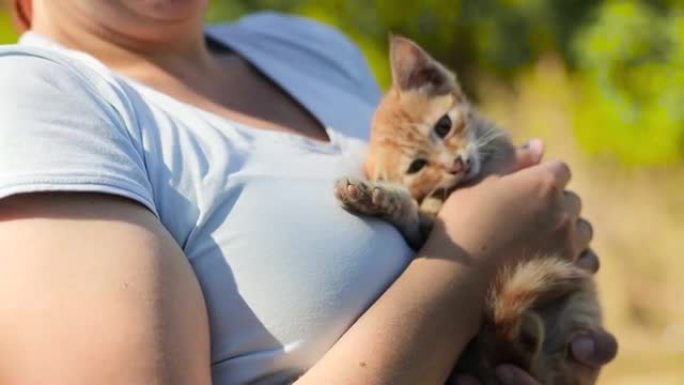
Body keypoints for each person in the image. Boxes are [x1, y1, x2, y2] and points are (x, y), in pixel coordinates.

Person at [0, 1, 616, 384]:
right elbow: (471, 248)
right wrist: (476, 260)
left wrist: (536, 320)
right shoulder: (37, 102)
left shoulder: (306, 47)